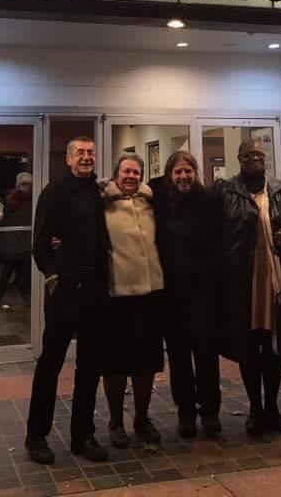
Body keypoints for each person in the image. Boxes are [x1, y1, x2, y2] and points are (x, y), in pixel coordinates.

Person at [25, 136, 110, 466]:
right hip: (65, 292)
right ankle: (36, 436)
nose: (87, 157)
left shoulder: (100, 193)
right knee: (51, 364)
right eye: (80, 153)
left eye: (91, 152)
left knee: (90, 366)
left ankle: (82, 436)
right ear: (68, 158)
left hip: (95, 291)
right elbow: (41, 245)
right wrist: (53, 277)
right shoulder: (54, 193)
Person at [213, 139, 281, 436]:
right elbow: (215, 232)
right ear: (239, 159)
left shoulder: (280, 190)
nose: (255, 159)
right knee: (248, 346)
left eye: (260, 154)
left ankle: (272, 408)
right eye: (249, 155)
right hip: (242, 282)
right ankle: (254, 409)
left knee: (274, 347)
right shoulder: (226, 191)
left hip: (275, 281)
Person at [149, 151, 222, 439]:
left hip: (203, 294)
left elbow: (219, 243)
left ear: (196, 173)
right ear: (170, 175)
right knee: (179, 357)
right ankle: (186, 413)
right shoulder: (160, 199)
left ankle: (210, 412)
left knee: (207, 355)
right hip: (172, 295)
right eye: (178, 172)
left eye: (188, 171)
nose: (183, 177)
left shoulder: (209, 201)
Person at [102, 154, 165, 449]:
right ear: (116, 174)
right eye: (126, 171)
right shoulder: (102, 203)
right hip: (117, 296)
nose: (131, 176)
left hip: (151, 295)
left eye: (136, 172)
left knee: (146, 363)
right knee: (115, 364)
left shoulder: (149, 202)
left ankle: (142, 418)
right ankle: (116, 421)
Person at [0, 172, 33, 310]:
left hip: (27, 240)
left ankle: (27, 297)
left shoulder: (33, 200)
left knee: (26, 273)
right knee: (7, 271)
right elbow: (5, 221)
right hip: (13, 242)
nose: (26, 187)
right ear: (18, 185)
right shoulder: (10, 200)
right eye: (23, 184)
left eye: (28, 184)